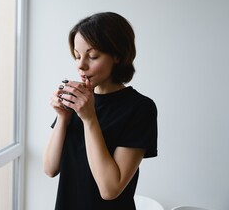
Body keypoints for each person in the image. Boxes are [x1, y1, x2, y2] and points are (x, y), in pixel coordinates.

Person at [43, 12, 158, 210]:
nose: (81, 65)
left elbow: (109, 189)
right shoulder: (79, 100)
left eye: (93, 56)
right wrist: (62, 117)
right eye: (77, 56)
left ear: (118, 55)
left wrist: (89, 119)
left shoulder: (140, 108)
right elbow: (50, 168)